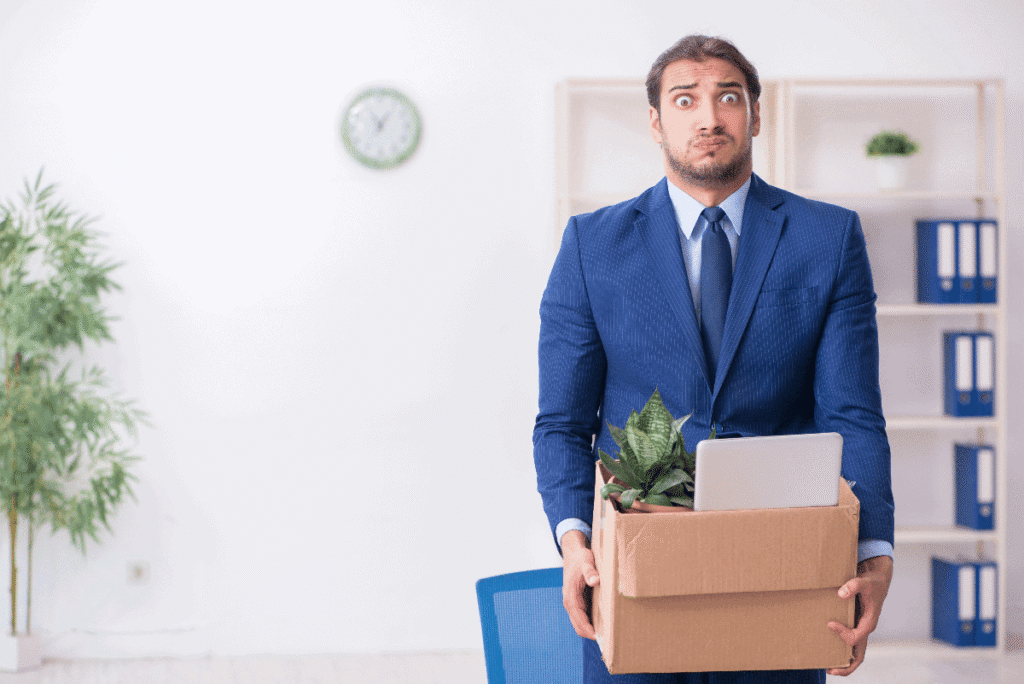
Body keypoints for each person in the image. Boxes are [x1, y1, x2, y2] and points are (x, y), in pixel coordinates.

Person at [533, 35, 895, 683]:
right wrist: (573, 538)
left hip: (781, 569)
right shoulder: (592, 244)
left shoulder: (828, 237)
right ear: (655, 122)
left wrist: (872, 551)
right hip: (637, 568)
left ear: (756, 116)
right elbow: (562, 422)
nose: (708, 117)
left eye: (728, 98)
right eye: (685, 100)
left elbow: (853, 414)